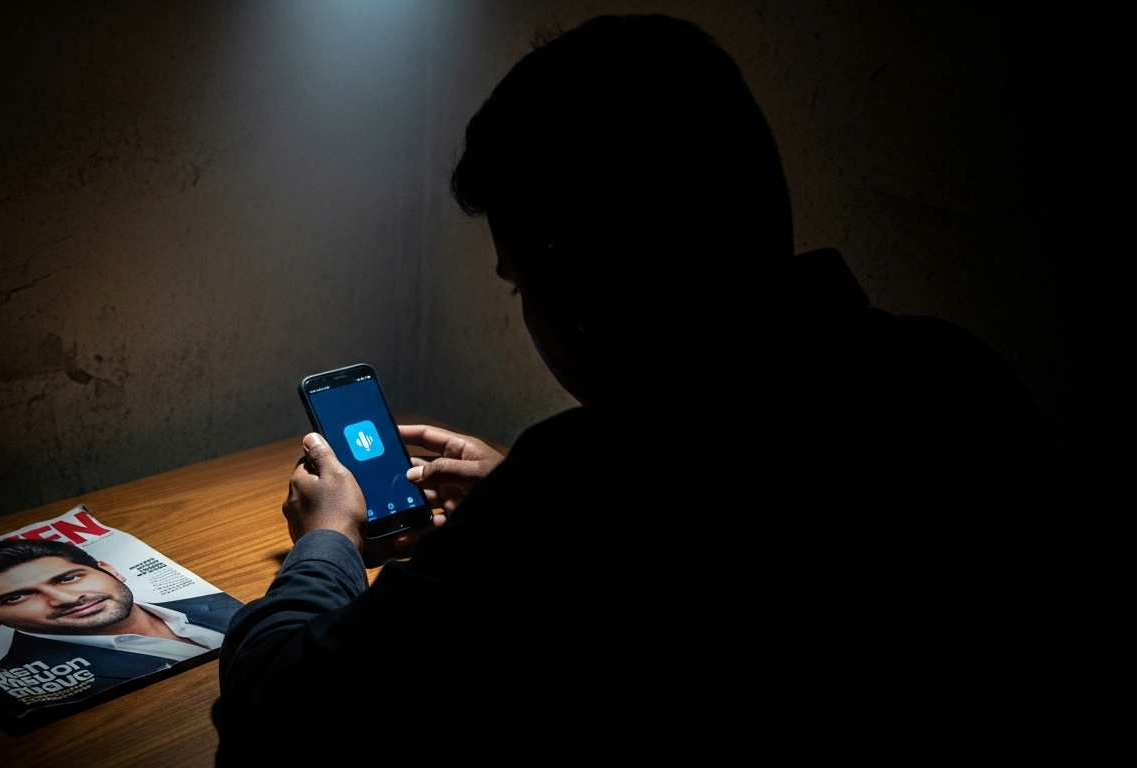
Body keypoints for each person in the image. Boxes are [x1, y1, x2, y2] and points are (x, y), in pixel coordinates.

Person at [215, 15, 1095, 765]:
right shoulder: (957, 379)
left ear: (581, 288)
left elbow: (277, 720)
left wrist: (327, 538)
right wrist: (526, 485)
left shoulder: (581, 496)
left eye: (520, 287)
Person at [0, 538, 241, 710]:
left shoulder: (222, 602)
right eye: (16, 597)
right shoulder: (6, 685)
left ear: (110, 570)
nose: (65, 598)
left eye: (69, 577)